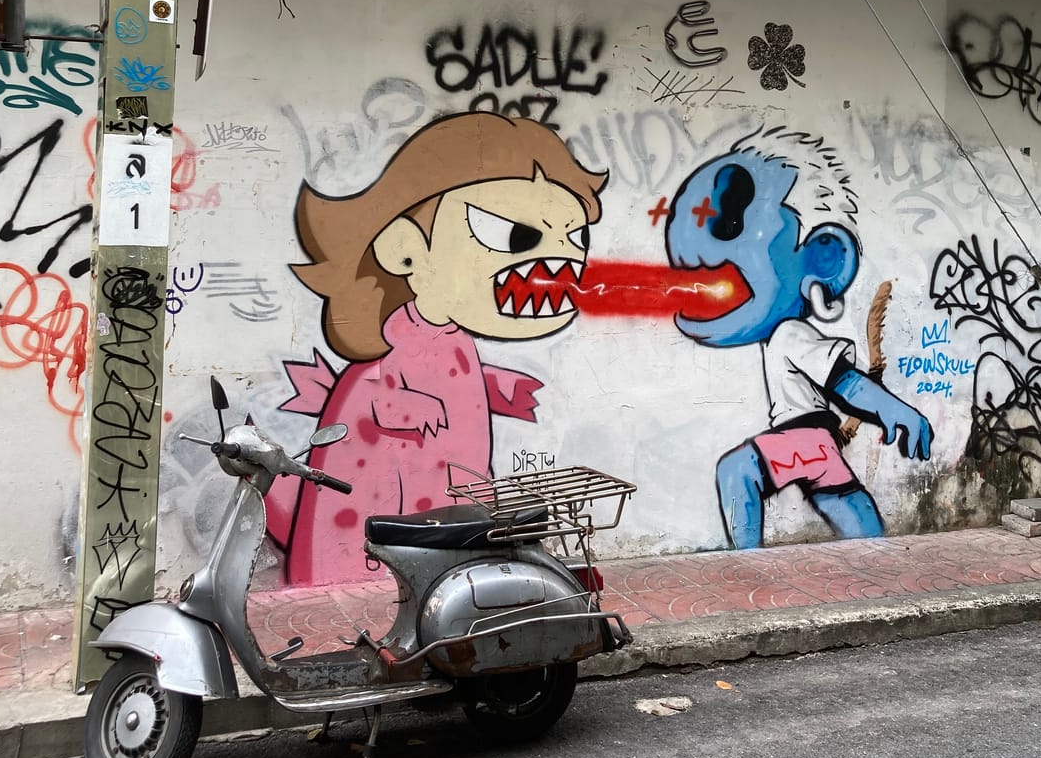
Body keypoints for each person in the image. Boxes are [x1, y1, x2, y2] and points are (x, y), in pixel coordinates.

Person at [266, 112, 606, 584]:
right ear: (405, 248)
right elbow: (382, 398)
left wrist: (498, 385)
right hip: (388, 508)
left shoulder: (449, 335)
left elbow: (443, 373)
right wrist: (407, 406)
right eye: (515, 235)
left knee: (454, 521)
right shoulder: (396, 342)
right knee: (411, 535)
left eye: (576, 236)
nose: (562, 257)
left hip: (445, 484)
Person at [665, 127, 931, 548]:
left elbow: (844, 382)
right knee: (846, 503)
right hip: (814, 444)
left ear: (818, 261)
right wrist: (893, 411)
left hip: (804, 434)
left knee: (736, 471)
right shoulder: (780, 335)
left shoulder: (790, 332)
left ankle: (744, 565)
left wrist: (895, 410)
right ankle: (879, 558)